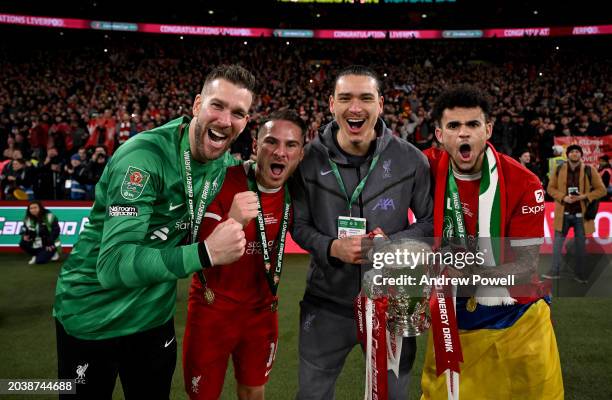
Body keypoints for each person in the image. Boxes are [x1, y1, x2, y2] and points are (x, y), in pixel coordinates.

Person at [53, 65, 256, 399]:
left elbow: (263, 174)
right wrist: (204, 253)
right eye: (216, 105)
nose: (225, 120)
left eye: (238, 113)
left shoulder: (224, 166)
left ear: (245, 122)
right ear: (196, 106)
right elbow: (114, 264)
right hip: (91, 317)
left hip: (152, 321)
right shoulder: (142, 159)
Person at [290, 65, 433, 400]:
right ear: (331, 104)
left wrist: (393, 244)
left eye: (365, 98)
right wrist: (331, 248)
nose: (355, 107)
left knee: (394, 395)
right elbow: (298, 226)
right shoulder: (306, 160)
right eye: (345, 98)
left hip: (393, 303)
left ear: (380, 104)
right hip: (325, 304)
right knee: (312, 395)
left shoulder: (411, 160)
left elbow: (429, 223)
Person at [421, 85, 564, 399]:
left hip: (517, 320)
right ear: (439, 134)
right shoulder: (424, 166)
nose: (463, 134)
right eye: (454, 126)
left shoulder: (523, 181)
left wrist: (465, 276)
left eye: (473, 125)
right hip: (452, 320)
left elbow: (525, 268)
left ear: (488, 129)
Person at [183, 109, 305, 400]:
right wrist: (234, 221)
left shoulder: (299, 191)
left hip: (262, 312)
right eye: (271, 142)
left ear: (301, 154)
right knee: (203, 395)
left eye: (291, 145)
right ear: (255, 146)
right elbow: (197, 246)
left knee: (253, 391)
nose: (280, 152)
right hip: (212, 310)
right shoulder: (221, 180)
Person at [543, 144, 606, 282]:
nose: (575, 154)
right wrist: (563, 197)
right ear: (567, 154)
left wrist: (583, 197)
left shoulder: (590, 170)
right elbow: (550, 188)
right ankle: (555, 271)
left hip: (581, 216)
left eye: (577, 152)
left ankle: (580, 274)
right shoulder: (559, 169)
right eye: (572, 152)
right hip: (563, 213)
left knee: (580, 247)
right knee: (557, 245)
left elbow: (601, 190)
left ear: (581, 155)